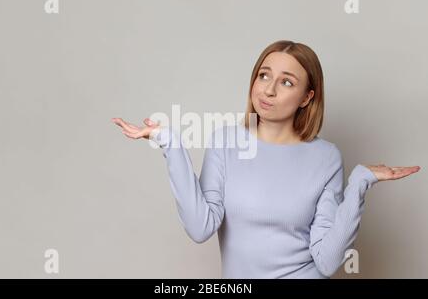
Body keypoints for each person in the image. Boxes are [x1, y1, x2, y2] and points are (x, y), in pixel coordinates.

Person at [111, 40, 420, 278]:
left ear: (307, 97)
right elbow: (200, 226)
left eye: (287, 82)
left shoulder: (326, 157)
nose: (268, 90)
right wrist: (170, 143)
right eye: (263, 75)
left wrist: (359, 183)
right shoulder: (226, 141)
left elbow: (326, 261)